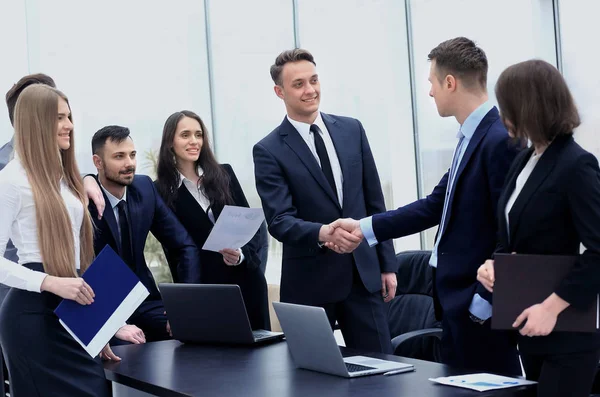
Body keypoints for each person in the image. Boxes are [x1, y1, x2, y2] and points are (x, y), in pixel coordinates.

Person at [328, 37, 520, 374]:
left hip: (477, 303)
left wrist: (482, 304)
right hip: (454, 305)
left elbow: (511, 230)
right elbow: (434, 206)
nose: (430, 92)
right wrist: (363, 227)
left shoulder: (498, 139)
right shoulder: (470, 138)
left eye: (432, 83)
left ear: (450, 82)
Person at [253, 49, 397, 353]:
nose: (310, 90)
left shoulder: (352, 129)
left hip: (363, 276)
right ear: (279, 92)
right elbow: (279, 220)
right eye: (299, 84)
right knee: (311, 379)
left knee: (384, 373)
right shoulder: (268, 150)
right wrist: (323, 233)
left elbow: (375, 203)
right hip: (310, 283)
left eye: (314, 80)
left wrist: (387, 265)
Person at [477, 59, 600, 397]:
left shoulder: (576, 165)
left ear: (528, 107)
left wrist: (551, 308)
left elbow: (598, 251)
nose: (503, 116)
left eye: (507, 106)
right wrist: (494, 263)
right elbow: (512, 235)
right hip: (529, 328)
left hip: (567, 334)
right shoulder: (525, 159)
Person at [0, 84, 116, 396]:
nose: (70, 126)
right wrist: (49, 282)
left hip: (72, 309)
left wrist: (97, 325)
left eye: (69, 116)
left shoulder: (64, 179)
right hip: (32, 319)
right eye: (60, 118)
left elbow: (77, 259)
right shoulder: (11, 180)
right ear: (37, 121)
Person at [155, 110, 270, 330]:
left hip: (246, 282)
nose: (194, 141)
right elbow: (175, 249)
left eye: (198, 135)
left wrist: (240, 255)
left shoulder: (224, 174)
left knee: (258, 359)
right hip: (205, 291)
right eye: (185, 135)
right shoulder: (161, 191)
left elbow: (252, 227)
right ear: (170, 141)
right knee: (215, 361)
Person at [88, 125, 200, 342]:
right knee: (122, 350)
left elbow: (184, 245)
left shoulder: (144, 188)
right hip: (100, 303)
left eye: (132, 155)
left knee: (193, 329)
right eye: (119, 156)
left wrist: (183, 305)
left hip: (144, 300)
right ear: (98, 162)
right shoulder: (83, 201)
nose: (129, 163)